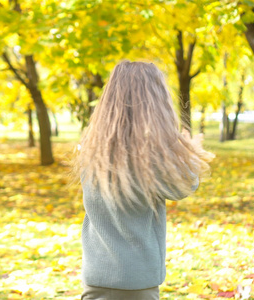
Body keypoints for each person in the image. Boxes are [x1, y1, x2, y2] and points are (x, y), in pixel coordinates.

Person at [74, 60, 214, 300]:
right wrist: (192, 154)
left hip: (95, 278)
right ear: (156, 105)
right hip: (136, 283)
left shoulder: (92, 149)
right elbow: (185, 185)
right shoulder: (148, 158)